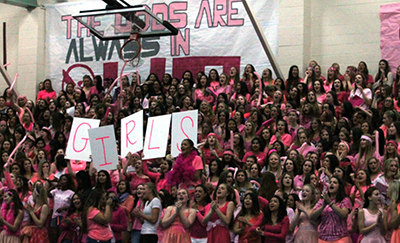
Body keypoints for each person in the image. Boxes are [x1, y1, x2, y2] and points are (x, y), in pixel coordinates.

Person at [311, 176, 352, 243]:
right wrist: (323, 206)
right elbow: (312, 216)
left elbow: (343, 214)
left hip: (340, 238)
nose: (332, 184)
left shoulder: (345, 200)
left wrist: (330, 202)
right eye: (330, 182)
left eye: (335, 182)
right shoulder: (322, 201)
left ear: (340, 187)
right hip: (323, 237)